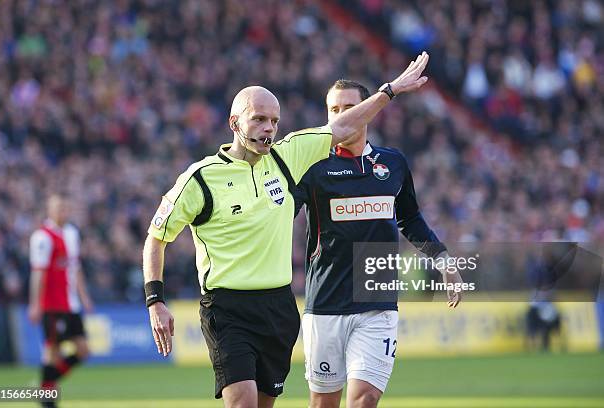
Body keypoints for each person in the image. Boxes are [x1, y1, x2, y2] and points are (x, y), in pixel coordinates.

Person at [143, 52, 431, 408]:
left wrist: (391, 91)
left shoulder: (287, 158)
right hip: (226, 307)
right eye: (259, 119)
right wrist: (155, 299)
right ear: (234, 123)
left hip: (278, 307)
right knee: (242, 402)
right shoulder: (200, 178)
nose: (268, 128)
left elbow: (341, 127)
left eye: (274, 121)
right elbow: (157, 237)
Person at [293, 79, 464, 407]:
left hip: (377, 303)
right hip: (325, 302)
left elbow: (410, 220)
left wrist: (443, 260)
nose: (342, 116)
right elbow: (281, 214)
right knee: (323, 403)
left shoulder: (393, 163)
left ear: (367, 112)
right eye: (334, 110)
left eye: (349, 108)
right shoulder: (313, 168)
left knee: (365, 399)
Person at [28, 193, 93, 407]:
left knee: (83, 350)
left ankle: (46, 384)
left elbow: (76, 269)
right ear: (50, 209)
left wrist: (84, 297)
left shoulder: (72, 233)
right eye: (58, 208)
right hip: (52, 305)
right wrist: (35, 304)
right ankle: (48, 398)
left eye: (65, 208)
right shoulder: (42, 237)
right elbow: (38, 273)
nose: (62, 212)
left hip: (71, 303)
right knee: (52, 351)